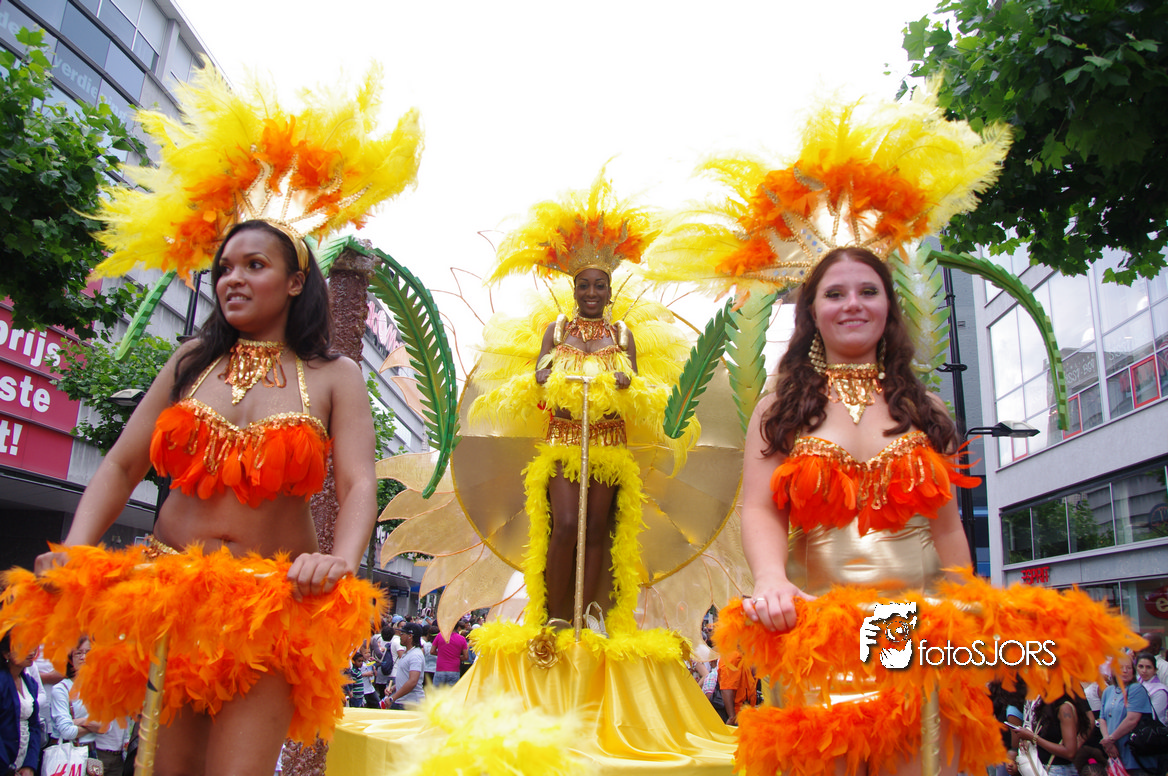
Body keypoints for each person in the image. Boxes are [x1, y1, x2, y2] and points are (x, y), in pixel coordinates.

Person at [1101, 651, 1153, 776]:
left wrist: (1110, 740)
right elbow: (1102, 718)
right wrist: (1107, 741)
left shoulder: (1136, 689)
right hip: (1114, 753)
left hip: (1135, 756)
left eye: (1129, 668)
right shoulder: (1108, 691)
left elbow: (1132, 720)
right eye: (1121, 668)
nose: (1125, 671)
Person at [1013, 695, 1092, 776]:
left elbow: (1070, 752)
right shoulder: (1047, 706)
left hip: (1058, 770)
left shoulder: (1065, 708)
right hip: (1045, 768)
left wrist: (1033, 738)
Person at [1, 631, 42, 776]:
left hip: (22, 764)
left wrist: (29, 764)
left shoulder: (30, 683)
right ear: (6, 654)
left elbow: (34, 725)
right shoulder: (2, 682)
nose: (31, 652)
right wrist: (7, 769)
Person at [49, 638, 100, 751]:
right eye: (78, 653)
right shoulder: (61, 689)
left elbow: (107, 726)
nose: (84, 657)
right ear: (70, 659)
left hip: (91, 750)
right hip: (68, 753)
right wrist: (93, 725)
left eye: (88, 652)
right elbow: (67, 732)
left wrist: (79, 721)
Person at [386, 623, 425, 710]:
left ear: (410, 636)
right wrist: (393, 688)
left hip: (411, 704)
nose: (400, 636)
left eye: (402, 633)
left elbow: (413, 681)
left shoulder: (415, 655)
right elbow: (406, 677)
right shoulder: (407, 653)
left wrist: (393, 698)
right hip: (402, 702)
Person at [1137, 652, 1168, 723]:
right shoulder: (1136, 683)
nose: (1144, 671)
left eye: (1148, 667)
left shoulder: (1160, 691)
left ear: (1155, 670)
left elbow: (1152, 717)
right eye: (1141, 666)